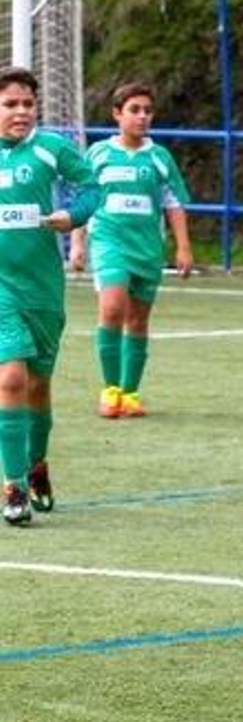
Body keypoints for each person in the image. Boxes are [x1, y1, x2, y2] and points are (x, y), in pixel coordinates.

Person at [0, 65, 100, 526]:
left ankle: (37, 462)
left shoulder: (51, 148)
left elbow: (92, 188)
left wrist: (72, 216)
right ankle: (14, 485)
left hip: (41, 287)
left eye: (26, 103)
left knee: (38, 386)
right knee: (11, 379)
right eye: (10, 104)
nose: (20, 111)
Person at [68, 81, 194, 420]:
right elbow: (85, 199)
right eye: (134, 110)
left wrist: (183, 247)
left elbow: (174, 204)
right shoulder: (98, 154)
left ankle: (130, 393)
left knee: (138, 320)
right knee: (112, 308)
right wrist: (78, 243)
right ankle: (110, 391)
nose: (141, 117)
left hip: (148, 249)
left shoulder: (159, 157)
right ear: (117, 114)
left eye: (147, 111)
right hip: (109, 242)